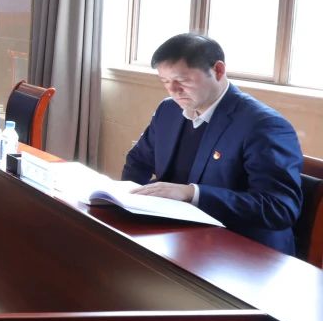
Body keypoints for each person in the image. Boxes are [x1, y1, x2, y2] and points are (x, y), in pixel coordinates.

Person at [122, 33, 302, 254]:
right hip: (180, 238)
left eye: (183, 80)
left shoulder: (264, 125)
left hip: (245, 251)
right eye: (165, 82)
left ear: (218, 70)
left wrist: (192, 193)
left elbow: (279, 208)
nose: (173, 90)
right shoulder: (168, 110)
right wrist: (124, 202)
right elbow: (138, 161)